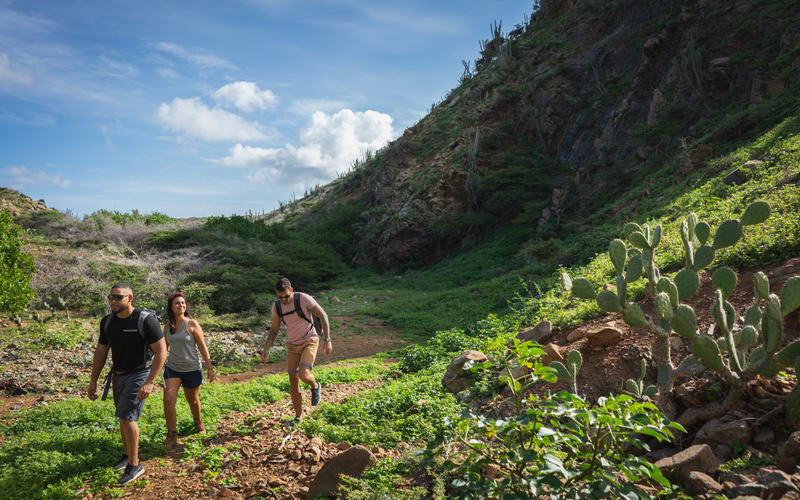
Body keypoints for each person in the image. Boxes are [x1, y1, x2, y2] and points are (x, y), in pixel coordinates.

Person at [87, 284, 167, 486]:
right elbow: (100, 352)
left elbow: (162, 352)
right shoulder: (108, 322)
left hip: (140, 372)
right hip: (119, 375)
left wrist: (149, 382)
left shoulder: (145, 320)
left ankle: (135, 464)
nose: (113, 301)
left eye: (118, 297)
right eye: (111, 297)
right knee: (122, 417)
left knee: (126, 416)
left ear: (130, 297)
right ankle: (127, 454)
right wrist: (93, 380)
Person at [261, 277, 332, 427]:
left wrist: (327, 339)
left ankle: (315, 386)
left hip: (310, 340)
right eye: (280, 297)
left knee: (303, 374)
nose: (284, 300)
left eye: (286, 296)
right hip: (292, 345)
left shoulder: (303, 299)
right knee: (293, 380)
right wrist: (266, 348)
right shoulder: (277, 307)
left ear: (291, 290)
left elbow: (322, 315)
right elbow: (274, 329)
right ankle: (298, 417)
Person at [161, 292, 215, 446]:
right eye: (177, 303)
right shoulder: (167, 328)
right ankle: (172, 434)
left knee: (193, 400)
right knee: (168, 399)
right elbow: (164, 350)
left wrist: (209, 367)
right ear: (171, 307)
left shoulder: (192, 324)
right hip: (173, 368)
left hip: (192, 368)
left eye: (183, 303)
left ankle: (198, 421)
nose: (181, 305)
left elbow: (202, 346)